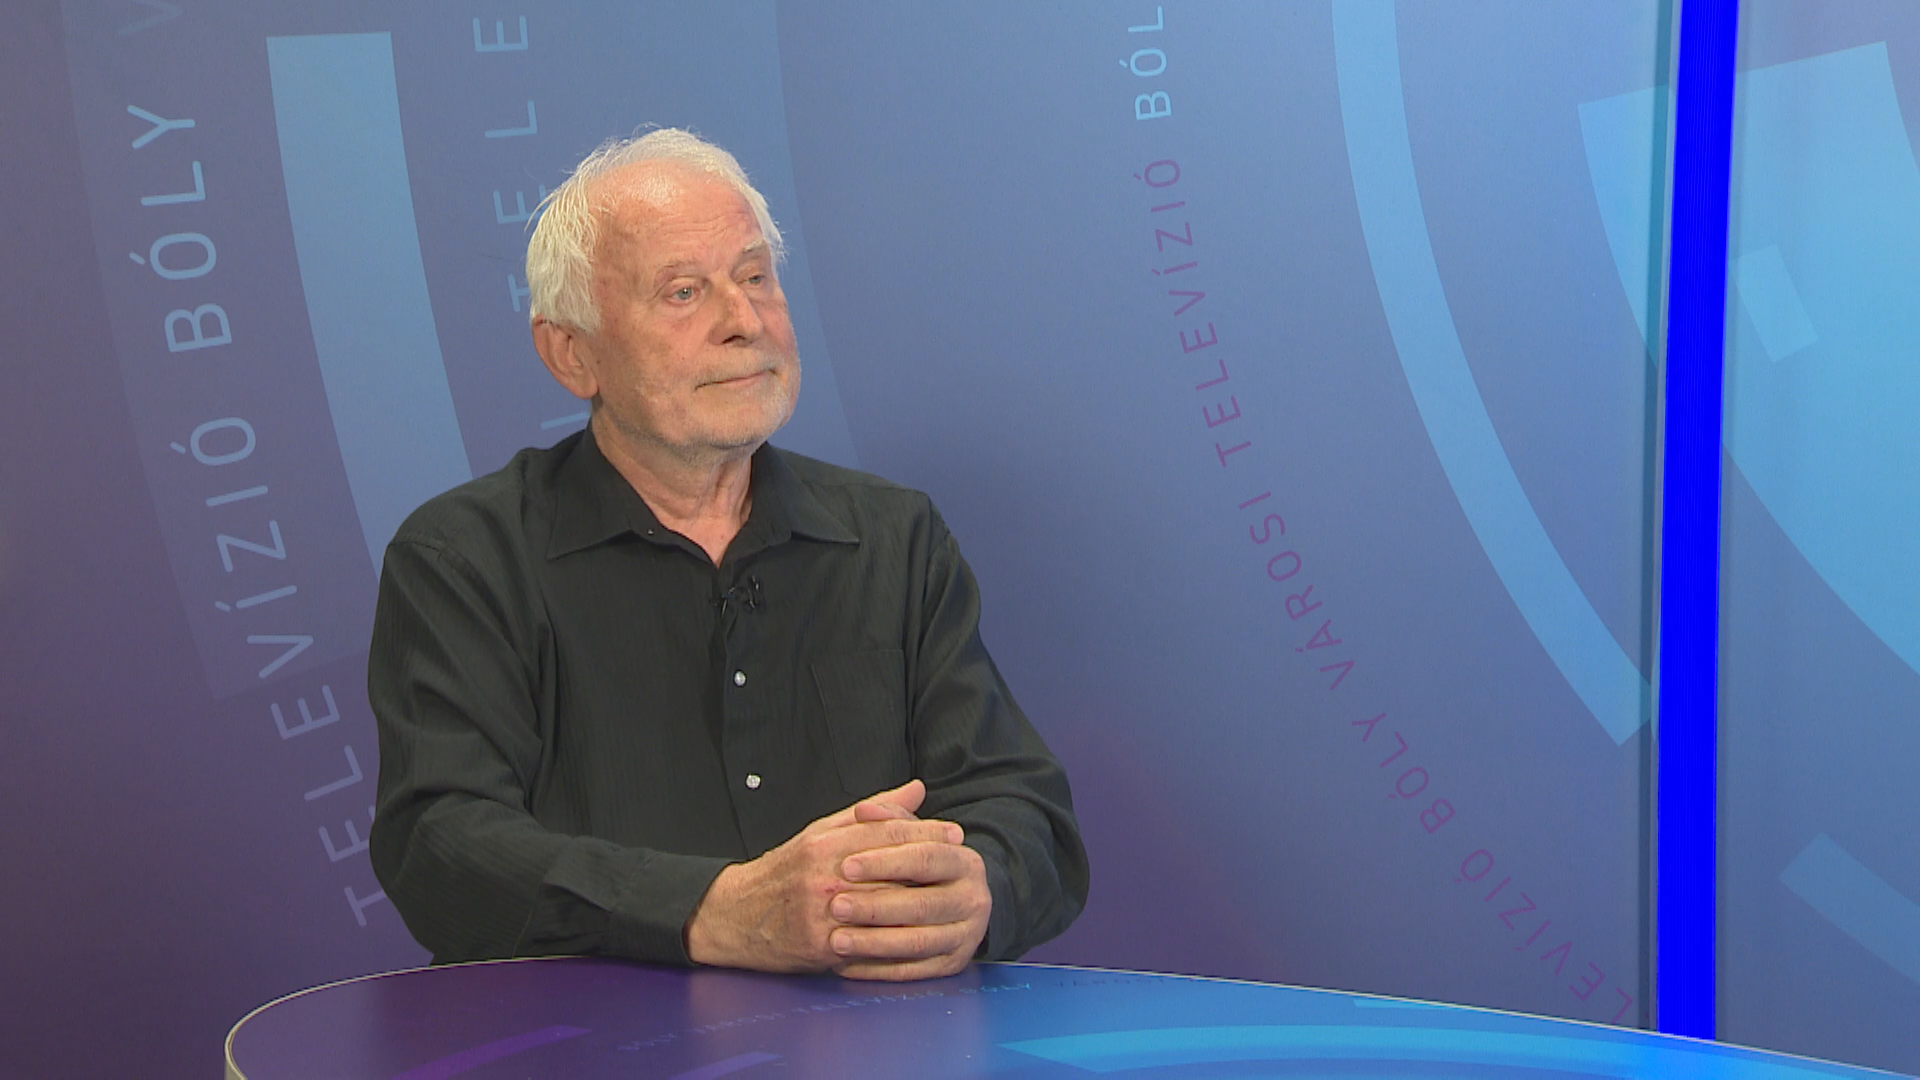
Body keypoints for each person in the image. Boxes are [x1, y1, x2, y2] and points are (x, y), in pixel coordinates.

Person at [367, 129, 1087, 981]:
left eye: (754, 278)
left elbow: (1026, 813)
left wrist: (977, 887)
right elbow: (441, 847)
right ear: (573, 353)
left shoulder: (895, 538)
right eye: (683, 293)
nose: (744, 323)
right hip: (591, 1039)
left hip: (877, 1035)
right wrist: (711, 912)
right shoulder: (465, 558)